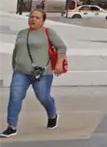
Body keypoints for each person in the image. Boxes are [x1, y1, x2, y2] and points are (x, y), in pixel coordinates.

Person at [3, 10, 68, 138]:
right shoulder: (22, 33)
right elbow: (17, 51)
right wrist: (15, 66)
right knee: (15, 97)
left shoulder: (48, 32)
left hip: (42, 73)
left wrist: (59, 63)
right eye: (31, 17)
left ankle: (52, 115)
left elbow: (62, 47)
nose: (33, 19)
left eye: (37, 18)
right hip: (21, 72)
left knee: (43, 97)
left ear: (43, 20)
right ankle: (11, 127)